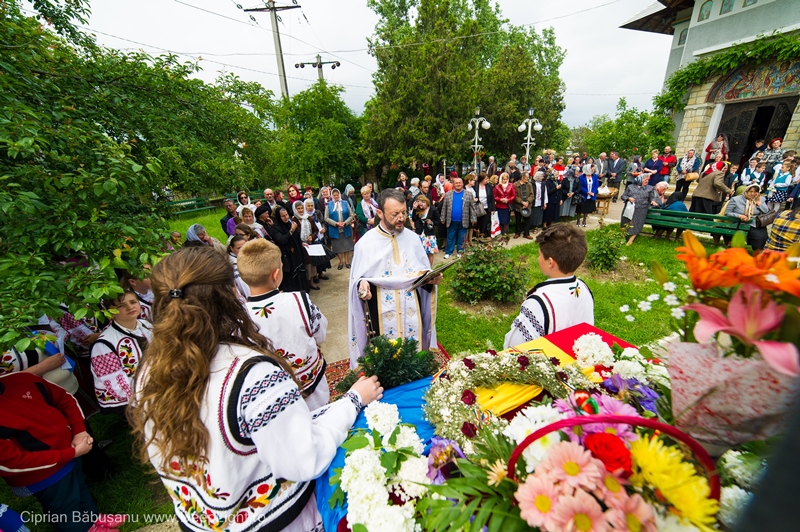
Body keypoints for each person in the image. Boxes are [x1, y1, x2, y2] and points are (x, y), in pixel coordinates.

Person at [128, 246, 383, 532]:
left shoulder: (149, 370)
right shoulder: (252, 375)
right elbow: (303, 458)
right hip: (273, 521)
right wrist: (352, 400)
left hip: (201, 522)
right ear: (230, 295)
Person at [348, 189, 441, 369]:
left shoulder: (413, 239)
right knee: (385, 364)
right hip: (381, 312)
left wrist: (431, 280)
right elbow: (357, 283)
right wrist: (363, 285)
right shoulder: (365, 244)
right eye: (395, 214)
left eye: (403, 212)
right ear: (380, 213)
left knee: (414, 359)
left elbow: (422, 273)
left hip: (412, 310)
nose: (401, 218)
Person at [0, 371, 103, 532]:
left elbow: (64, 398)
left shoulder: (22, 378)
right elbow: (11, 462)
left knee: (80, 489)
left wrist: (79, 431)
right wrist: (70, 453)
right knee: (65, 509)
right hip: (43, 474)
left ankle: (95, 520)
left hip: (71, 449)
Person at [237, 239, 329, 409]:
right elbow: (320, 332)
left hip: (272, 396)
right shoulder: (299, 300)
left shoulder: (240, 316)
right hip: (312, 388)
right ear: (276, 274)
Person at [503, 224, 594, 349]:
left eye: (540, 255)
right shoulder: (583, 288)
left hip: (552, 362)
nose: (538, 258)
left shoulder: (539, 301)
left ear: (550, 262)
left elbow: (515, 346)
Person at [90, 290, 152, 415]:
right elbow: (116, 386)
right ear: (110, 314)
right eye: (121, 306)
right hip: (127, 399)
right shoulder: (103, 345)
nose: (130, 307)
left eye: (133, 302)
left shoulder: (146, 326)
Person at [266, 206, 310, 293]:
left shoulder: (290, 223)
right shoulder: (275, 228)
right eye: (283, 216)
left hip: (296, 253)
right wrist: (292, 230)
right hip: (287, 256)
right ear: (279, 217)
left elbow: (296, 237)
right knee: (291, 277)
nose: (286, 217)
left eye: (286, 215)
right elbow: (282, 240)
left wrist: (301, 243)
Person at [725, 184, 771, 251]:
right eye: (750, 191)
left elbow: (766, 211)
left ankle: (759, 251)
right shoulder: (736, 199)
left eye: (755, 192)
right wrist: (739, 216)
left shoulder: (761, 199)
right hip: (740, 223)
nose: (752, 194)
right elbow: (727, 212)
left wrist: (758, 203)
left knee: (761, 237)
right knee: (752, 234)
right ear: (746, 191)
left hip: (756, 223)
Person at [440, 176, 477, 258]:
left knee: (462, 237)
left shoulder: (468, 194)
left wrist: (473, 218)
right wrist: (443, 218)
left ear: (463, 184)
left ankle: (460, 252)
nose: (458, 184)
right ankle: (448, 252)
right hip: (451, 220)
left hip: (464, 220)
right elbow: (444, 207)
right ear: (453, 184)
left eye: (460, 183)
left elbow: (472, 208)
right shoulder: (448, 194)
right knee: (450, 237)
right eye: (456, 183)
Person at [621, 176, 658, 246]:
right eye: (645, 180)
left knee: (637, 224)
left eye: (648, 180)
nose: (647, 181)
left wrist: (653, 201)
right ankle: (623, 238)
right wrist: (628, 198)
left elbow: (652, 197)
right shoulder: (630, 187)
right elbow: (623, 196)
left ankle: (630, 241)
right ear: (640, 180)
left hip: (641, 209)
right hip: (629, 208)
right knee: (625, 222)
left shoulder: (650, 188)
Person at [292, 200, 320, 290]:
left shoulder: (308, 218)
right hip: (300, 247)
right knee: (304, 265)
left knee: (311, 264)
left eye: (301, 208)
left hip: (310, 245)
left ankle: (311, 281)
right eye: (298, 209)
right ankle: (305, 283)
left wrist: (312, 236)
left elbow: (316, 230)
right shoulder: (293, 221)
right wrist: (301, 242)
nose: (300, 210)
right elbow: (293, 235)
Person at [325, 188, 354, 269]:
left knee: (347, 245)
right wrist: (336, 223)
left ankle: (347, 261)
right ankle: (341, 262)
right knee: (338, 246)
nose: (336, 196)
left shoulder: (345, 203)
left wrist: (345, 222)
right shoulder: (328, 205)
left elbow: (351, 215)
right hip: (335, 229)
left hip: (346, 227)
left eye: (337, 195)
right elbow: (326, 218)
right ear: (332, 196)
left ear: (339, 195)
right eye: (334, 195)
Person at [411, 194, 439, 267]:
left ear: (425, 202)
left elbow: (438, 221)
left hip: (429, 234)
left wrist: (431, 222)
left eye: (421, 205)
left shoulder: (433, 209)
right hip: (420, 233)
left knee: (430, 253)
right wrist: (414, 208)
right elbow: (414, 219)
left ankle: (429, 268)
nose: (421, 207)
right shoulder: (418, 210)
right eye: (419, 206)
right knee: (420, 253)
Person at [227, 235, 250, 301]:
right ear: (231, 248)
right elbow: (244, 287)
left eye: (245, 246)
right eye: (239, 248)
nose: (243, 250)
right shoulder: (234, 265)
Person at [513, 172, 534, 238]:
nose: (528, 179)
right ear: (522, 178)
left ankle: (526, 233)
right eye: (527, 177)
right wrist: (522, 202)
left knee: (527, 220)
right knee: (518, 220)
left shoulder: (529, 185)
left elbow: (532, 195)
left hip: (527, 206)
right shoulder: (515, 184)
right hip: (518, 206)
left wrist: (527, 202)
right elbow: (514, 196)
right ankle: (517, 233)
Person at [473, 172, 495, 237]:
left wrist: (493, 209)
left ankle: (484, 237)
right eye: (486, 179)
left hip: (487, 208)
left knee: (485, 224)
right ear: (481, 179)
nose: (487, 180)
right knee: (478, 224)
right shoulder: (475, 186)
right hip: (477, 208)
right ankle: (476, 237)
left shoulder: (489, 186)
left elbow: (492, 198)